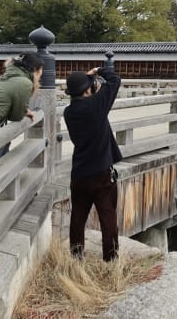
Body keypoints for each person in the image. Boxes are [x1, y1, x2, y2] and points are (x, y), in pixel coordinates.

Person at [63, 66, 122, 262]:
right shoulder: (96, 106)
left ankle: (76, 257)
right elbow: (114, 81)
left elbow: (90, 98)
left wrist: (89, 82)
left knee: (78, 219)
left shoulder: (69, 112)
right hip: (101, 174)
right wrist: (99, 70)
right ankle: (111, 261)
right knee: (108, 219)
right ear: (87, 90)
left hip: (79, 173)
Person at [0, 52, 42, 170]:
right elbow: (17, 116)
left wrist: (23, 110)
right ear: (36, 69)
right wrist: (23, 111)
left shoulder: (8, 77)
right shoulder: (24, 83)